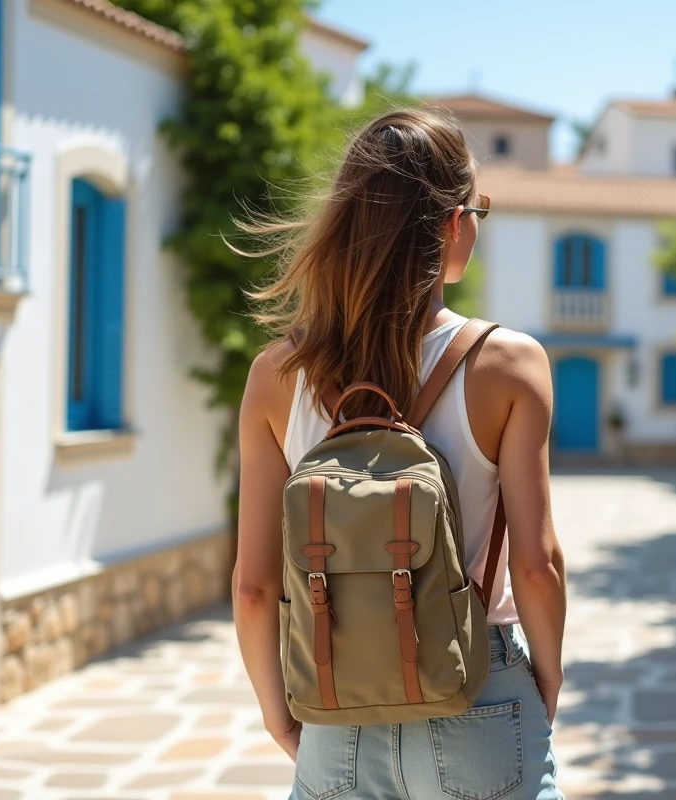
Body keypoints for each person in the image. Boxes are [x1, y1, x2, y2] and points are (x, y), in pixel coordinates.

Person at [231, 107, 567, 800]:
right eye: (479, 208)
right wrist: (546, 679)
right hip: (477, 684)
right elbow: (537, 566)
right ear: (452, 224)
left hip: (334, 697)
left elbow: (255, 588)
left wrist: (279, 713)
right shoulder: (506, 361)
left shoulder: (277, 374)